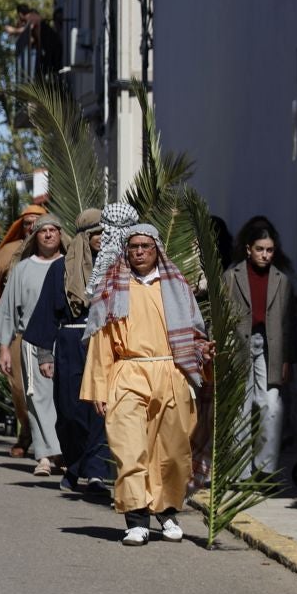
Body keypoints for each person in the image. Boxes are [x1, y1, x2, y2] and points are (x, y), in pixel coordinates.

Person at [82, 218, 210, 546]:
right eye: (134, 247)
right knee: (129, 448)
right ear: (126, 251)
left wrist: (203, 353)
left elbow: (193, 335)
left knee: (172, 450)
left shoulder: (177, 288)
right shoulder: (112, 289)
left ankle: (166, 511)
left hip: (171, 375)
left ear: (157, 251)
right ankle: (136, 518)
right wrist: (99, 387)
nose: (139, 252)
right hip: (127, 373)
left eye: (146, 247)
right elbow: (101, 342)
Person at [23, 208, 115, 494]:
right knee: (70, 411)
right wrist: (45, 356)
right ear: (84, 237)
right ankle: (74, 466)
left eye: (106, 234)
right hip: (70, 342)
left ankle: (97, 472)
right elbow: (46, 314)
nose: (102, 239)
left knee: (100, 411)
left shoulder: (117, 268)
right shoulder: (61, 270)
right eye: (97, 234)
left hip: (105, 343)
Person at [222, 217, 297, 478]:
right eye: (260, 249)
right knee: (240, 409)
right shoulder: (231, 277)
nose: (265, 255)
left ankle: (265, 469)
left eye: (269, 250)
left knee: (272, 406)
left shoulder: (281, 280)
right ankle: (240, 472)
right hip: (239, 346)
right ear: (248, 249)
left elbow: (288, 322)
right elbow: (221, 317)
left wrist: (288, 358)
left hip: (271, 347)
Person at [0, 213, 66, 476]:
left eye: (53, 230)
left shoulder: (70, 266)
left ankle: (62, 451)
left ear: (60, 235)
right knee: (36, 397)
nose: (47, 235)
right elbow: (9, 310)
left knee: (62, 399)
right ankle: (44, 455)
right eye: (42, 231)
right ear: (35, 237)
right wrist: (3, 348)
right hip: (30, 340)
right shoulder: (22, 269)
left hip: (64, 341)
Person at [0, 205, 50, 459]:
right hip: (20, 330)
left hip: (51, 329)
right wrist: (2, 301)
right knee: (20, 388)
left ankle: (51, 444)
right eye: (27, 223)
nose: (31, 227)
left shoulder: (58, 253)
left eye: (37, 222)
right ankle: (26, 433)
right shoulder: (11, 251)